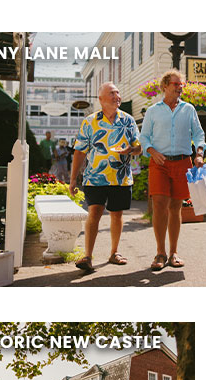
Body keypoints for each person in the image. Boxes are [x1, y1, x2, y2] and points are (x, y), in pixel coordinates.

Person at [69, 82, 141, 271]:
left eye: (118, 93)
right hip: (95, 177)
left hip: (120, 177)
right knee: (94, 213)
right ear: (101, 99)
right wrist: (73, 179)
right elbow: (79, 152)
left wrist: (131, 150)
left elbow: (139, 147)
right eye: (112, 93)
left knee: (117, 215)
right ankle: (88, 256)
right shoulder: (89, 122)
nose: (117, 96)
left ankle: (114, 253)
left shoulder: (128, 120)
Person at [139, 69, 206, 271]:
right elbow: (144, 138)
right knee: (159, 204)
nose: (179, 87)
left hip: (183, 162)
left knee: (176, 207)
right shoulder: (153, 111)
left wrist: (200, 152)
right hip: (159, 163)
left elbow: (198, 134)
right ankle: (160, 253)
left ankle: (173, 252)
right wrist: (151, 151)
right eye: (175, 84)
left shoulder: (188, 109)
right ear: (165, 86)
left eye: (180, 84)